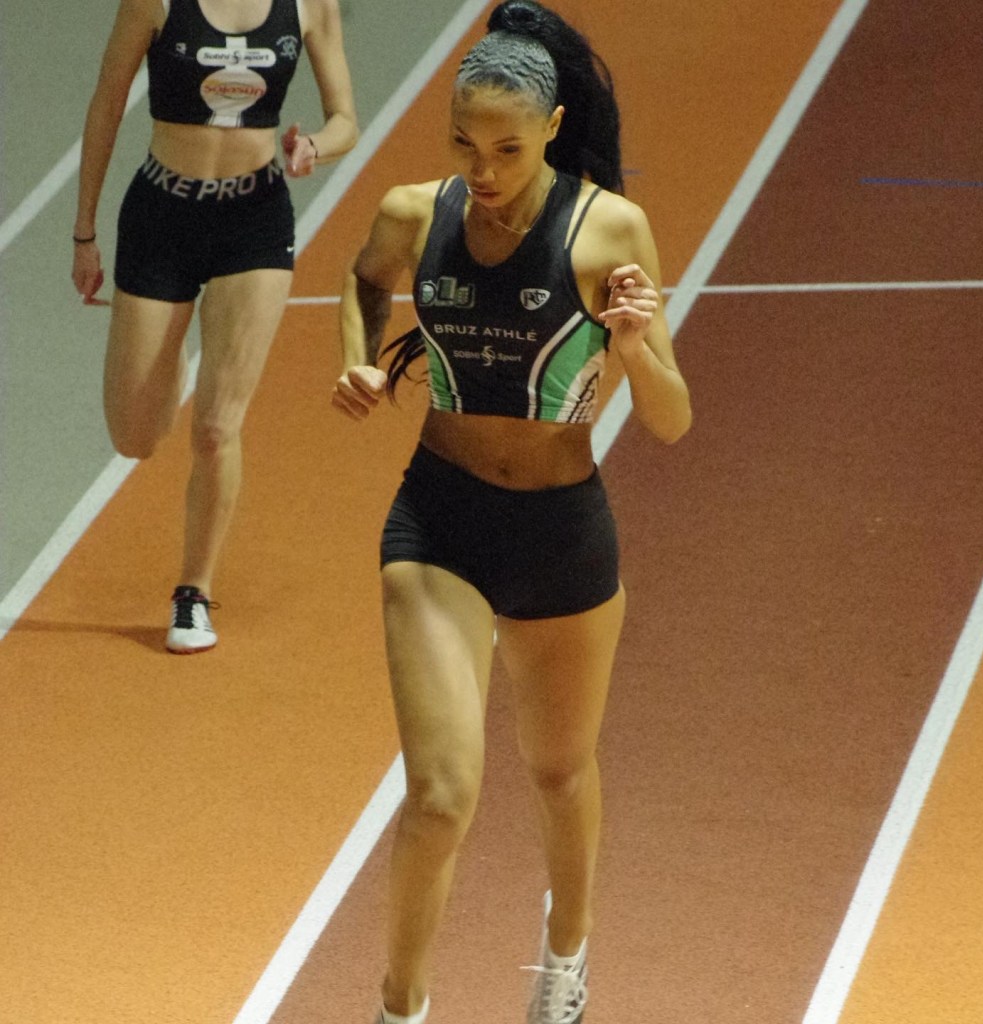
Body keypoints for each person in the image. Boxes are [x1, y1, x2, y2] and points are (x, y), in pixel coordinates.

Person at [332, 2, 690, 1021]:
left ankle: (565, 961)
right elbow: (362, 279)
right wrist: (358, 361)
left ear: (551, 128)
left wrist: (632, 348)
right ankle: (400, 1003)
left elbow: (671, 418)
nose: (482, 170)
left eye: (507, 149)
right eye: (464, 144)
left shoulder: (607, 230)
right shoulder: (414, 214)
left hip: (560, 530)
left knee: (559, 771)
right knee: (441, 795)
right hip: (439, 521)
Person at [72, 0, 358, 653]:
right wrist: (84, 232)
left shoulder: (309, 5)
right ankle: (169, 351)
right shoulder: (152, 3)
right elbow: (106, 105)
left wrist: (315, 146)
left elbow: (347, 120)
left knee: (216, 426)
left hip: (254, 224)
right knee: (135, 436)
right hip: (160, 217)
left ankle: (193, 594)